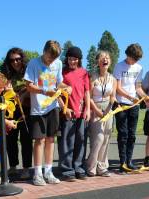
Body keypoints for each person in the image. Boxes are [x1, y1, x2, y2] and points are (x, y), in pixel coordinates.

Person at [24, 40, 71, 186]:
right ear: (44, 51)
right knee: (39, 140)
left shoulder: (58, 64)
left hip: (53, 107)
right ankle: (37, 174)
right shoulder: (33, 63)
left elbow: (58, 83)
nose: (51, 61)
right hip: (38, 108)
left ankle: (48, 172)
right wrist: (45, 91)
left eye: (54, 58)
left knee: (51, 139)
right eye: (50, 57)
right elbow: (29, 86)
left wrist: (66, 87)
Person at [113, 43, 147, 173]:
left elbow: (138, 87)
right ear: (128, 54)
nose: (135, 61)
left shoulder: (139, 68)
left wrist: (145, 97)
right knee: (123, 134)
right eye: (134, 58)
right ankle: (122, 163)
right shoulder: (119, 66)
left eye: (137, 59)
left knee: (132, 134)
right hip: (121, 104)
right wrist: (129, 97)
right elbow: (118, 88)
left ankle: (129, 161)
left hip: (134, 105)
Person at [58, 46, 90, 181]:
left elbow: (87, 92)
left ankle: (79, 167)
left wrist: (88, 109)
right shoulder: (62, 73)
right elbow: (57, 91)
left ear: (79, 60)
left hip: (81, 112)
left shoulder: (84, 73)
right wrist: (64, 109)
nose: (72, 62)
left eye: (75, 59)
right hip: (68, 113)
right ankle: (67, 170)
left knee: (80, 141)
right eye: (70, 59)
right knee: (67, 142)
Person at [1, 47, 32, 179]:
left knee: (26, 139)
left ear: (22, 59)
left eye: (18, 59)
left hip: (26, 109)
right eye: (12, 60)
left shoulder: (29, 71)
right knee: (10, 139)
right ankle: (13, 166)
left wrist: (23, 94)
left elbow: (33, 86)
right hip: (10, 109)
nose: (15, 62)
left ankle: (26, 168)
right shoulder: (6, 74)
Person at [86, 51, 117, 177]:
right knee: (97, 138)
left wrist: (113, 104)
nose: (105, 60)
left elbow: (113, 96)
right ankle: (90, 166)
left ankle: (102, 166)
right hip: (95, 108)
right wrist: (96, 110)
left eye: (107, 58)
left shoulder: (113, 79)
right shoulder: (92, 77)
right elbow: (89, 96)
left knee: (106, 138)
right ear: (98, 62)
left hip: (108, 109)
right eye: (102, 58)